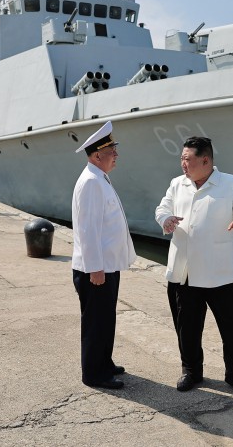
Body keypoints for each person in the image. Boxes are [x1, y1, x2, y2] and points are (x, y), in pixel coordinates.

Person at [154, 136, 233, 399]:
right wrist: (165, 219)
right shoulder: (177, 184)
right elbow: (162, 208)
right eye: (181, 159)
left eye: (187, 160)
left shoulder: (230, 182)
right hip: (185, 271)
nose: (183, 164)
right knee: (186, 325)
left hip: (220, 271)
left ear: (206, 160)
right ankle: (191, 370)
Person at [71, 121, 136, 389]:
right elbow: (88, 230)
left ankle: (104, 362)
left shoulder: (99, 178)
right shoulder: (91, 183)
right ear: (98, 155)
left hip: (107, 266)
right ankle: (94, 374)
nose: (116, 155)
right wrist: (95, 268)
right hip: (96, 269)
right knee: (96, 321)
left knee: (106, 317)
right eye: (112, 150)